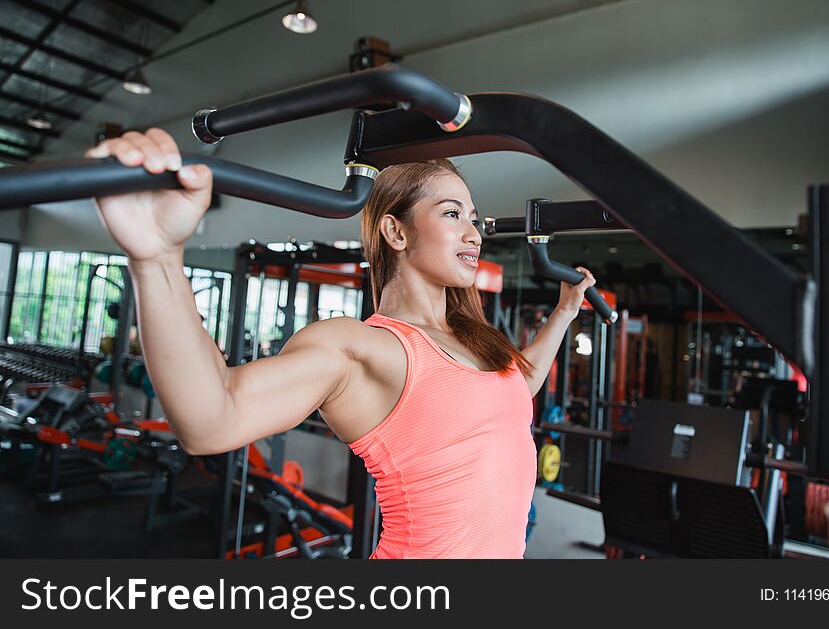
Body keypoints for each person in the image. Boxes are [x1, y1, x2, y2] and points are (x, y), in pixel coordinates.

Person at [85, 128, 597, 558]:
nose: (474, 233)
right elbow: (212, 418)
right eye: (451, 214)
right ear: (396, 232)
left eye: (472, 217)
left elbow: (519, 384)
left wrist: (564, 312)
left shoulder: (477, 345)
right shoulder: (362, 349)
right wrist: (157, 257)